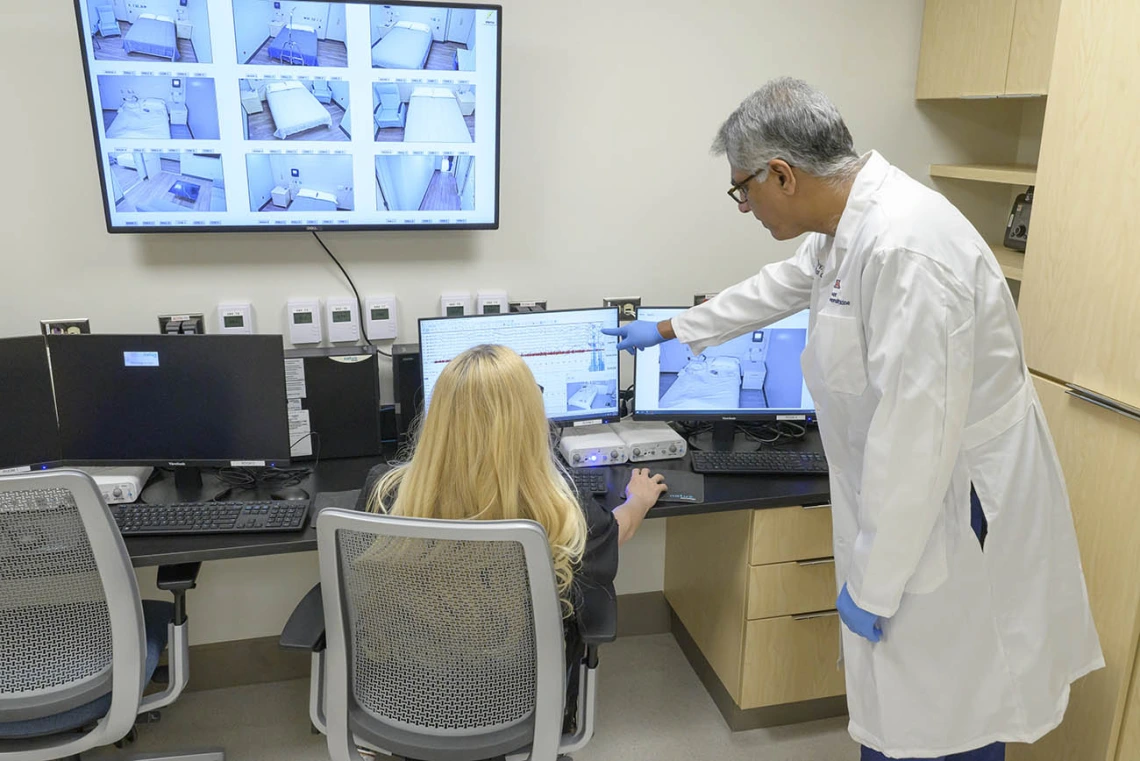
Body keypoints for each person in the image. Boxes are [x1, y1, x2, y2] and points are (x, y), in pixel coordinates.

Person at [604, 77, 1103, 760]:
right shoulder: (851, 224)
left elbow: (915, 442)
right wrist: (668, 327)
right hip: (912, 502)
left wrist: (870, 582)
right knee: (909, 711)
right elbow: (777, 286)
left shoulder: (908, 250)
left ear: (782, 174)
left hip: (954, 510)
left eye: (742, 189)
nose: (743, 205)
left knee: (948, 711)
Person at [357, 343, 668, 730]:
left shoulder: (386, 491)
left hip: (401, 697)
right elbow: (611, 533)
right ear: (529, 418)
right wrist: (637, 501)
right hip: (517, 699)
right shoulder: (558, 506)